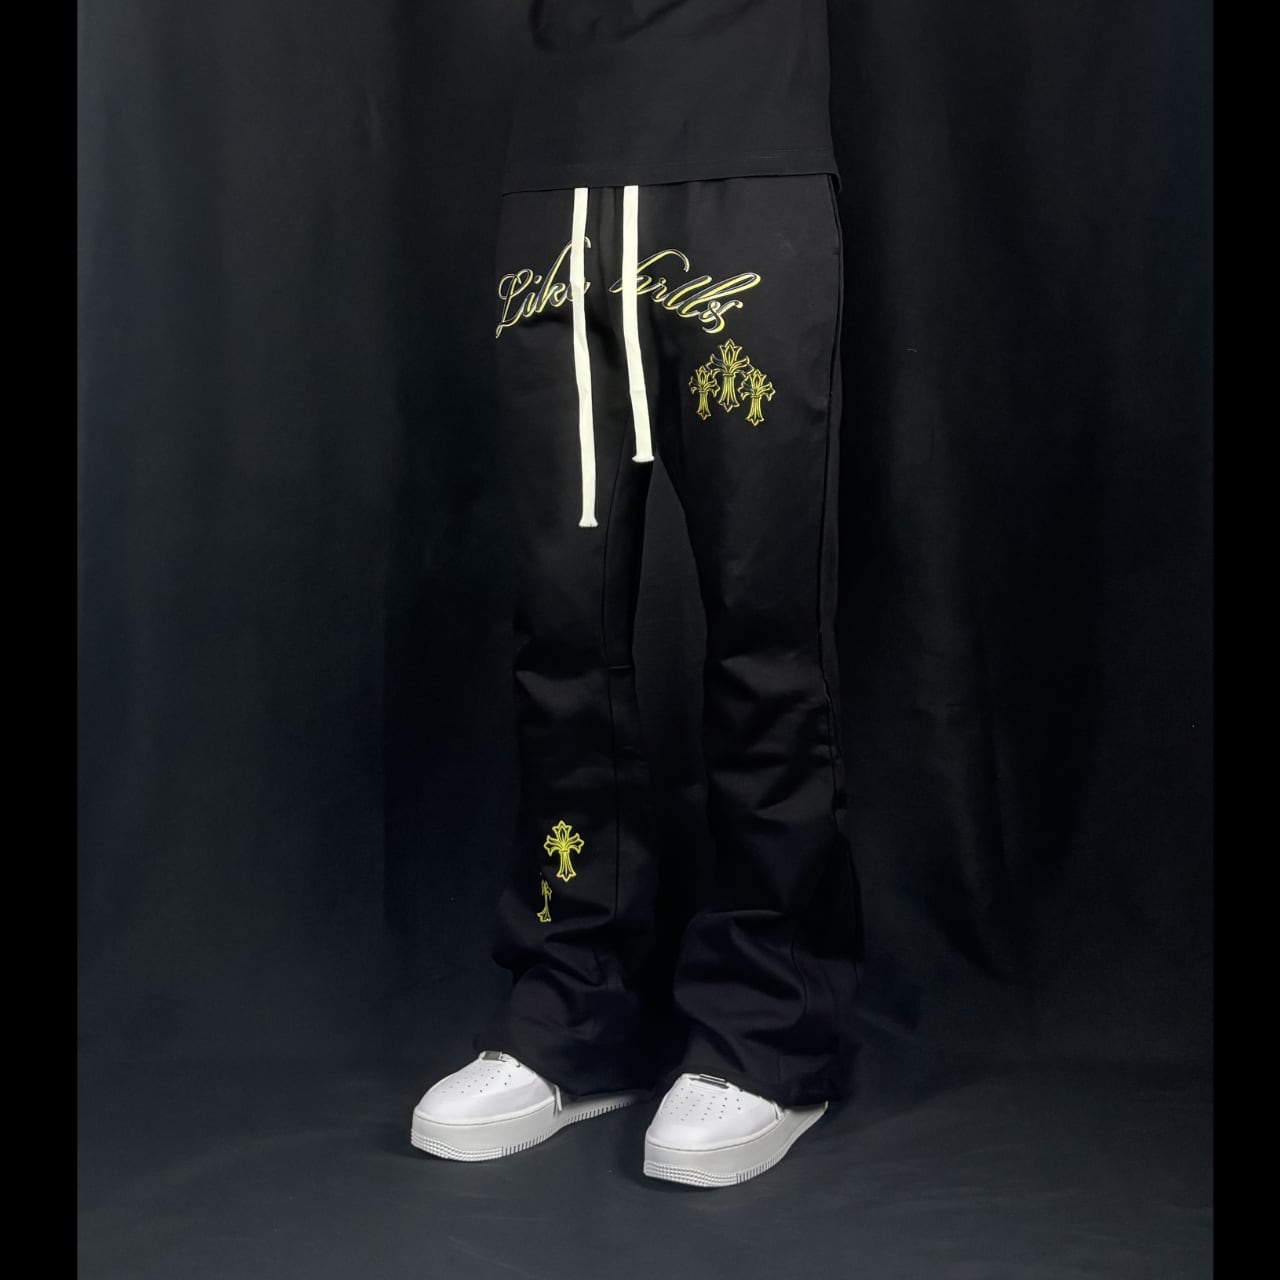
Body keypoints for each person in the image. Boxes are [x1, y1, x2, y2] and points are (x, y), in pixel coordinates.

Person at [411, 0, 863, 1188]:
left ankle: (770, 1025)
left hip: (744, 151)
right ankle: (571, 1006)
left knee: (765, 625)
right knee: (560, 629)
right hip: (557, 163)